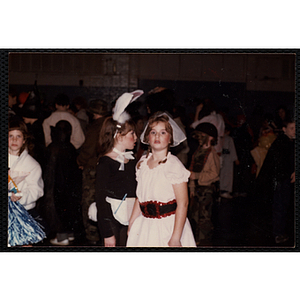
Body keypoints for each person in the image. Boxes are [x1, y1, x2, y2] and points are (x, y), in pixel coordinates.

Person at [127, 112, 196, 247]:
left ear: (170, 139)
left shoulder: (173, 165)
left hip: (168, 225)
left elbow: (183, 203)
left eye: (163, 132)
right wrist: (132, 223)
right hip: (145, 225)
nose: (157, 136)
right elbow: (139, 198)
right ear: (147, 136)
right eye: (153, 132)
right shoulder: (142, 164)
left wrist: (176, 237)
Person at [93, 90, 143, 247]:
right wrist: (108, 234)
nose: (136, 138)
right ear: (118, 136)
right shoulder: (106, 163)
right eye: (132, 133)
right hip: (113, 219)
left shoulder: (132, 160)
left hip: (132, 217)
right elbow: (101, 200)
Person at [40, 121, 83, 246]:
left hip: (56, 187)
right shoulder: (70, 147)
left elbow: (49, 172)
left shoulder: (53, 148)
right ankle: (69, 234)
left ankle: (62, 236)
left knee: (58, 210)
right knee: (69, 209)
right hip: (70, 189)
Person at [256, 119, 295, 244]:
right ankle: (278, 234)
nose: (295, 131)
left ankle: (279, 232)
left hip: (281, 178)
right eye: (292, 128)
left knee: (282, 206)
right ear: (284, 129)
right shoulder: (282, 142)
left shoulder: (288, 141)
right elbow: (280, 163)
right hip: (279, 179)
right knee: (280, 206)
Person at [76, 99, 108, 245]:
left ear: (94, 113)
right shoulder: (110, 126)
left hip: (92, 169)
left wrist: (80, 162)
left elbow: (88, 149)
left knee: (88, 201)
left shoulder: (94, 127)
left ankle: (92, 236)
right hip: (106, 169)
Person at [8, 117, 46, 236]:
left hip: (23, 211)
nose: (14, 139)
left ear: (24, 140)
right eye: (10, 136)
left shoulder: (32, 164)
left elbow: (37, 190)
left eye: (18, 136)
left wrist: (21, 196)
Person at [188, 122, 220, 245]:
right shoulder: (197, 152)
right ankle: (196, 240)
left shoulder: (212, 154)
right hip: (196, 190)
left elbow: (215, 174)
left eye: (202, 135)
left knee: (204, 218)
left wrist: (197, 176)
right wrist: (191, 188)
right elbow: (192, 170)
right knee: (195, 216)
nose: (199, 138)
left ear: (211, 138)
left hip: (207, 191)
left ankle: (204, 242)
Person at [219, 125, 239, 199]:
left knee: (226, 174)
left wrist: (235, 159)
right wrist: (236, 159)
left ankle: (225, 190)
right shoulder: (223, 139)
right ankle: (223, 190)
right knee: (225, 174)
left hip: (227, 158)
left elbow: (232, 149)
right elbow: (232, 149)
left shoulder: (227, 139)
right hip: (224, 157)